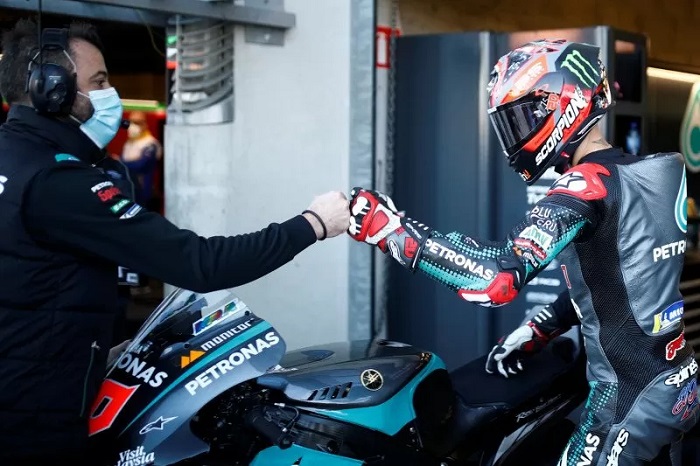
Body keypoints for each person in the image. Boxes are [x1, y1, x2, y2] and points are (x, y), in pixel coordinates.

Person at [0, 19, 349, 464]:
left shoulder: (13, 158)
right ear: (51, 88)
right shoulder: (58, 181)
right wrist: (314, 223)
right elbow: (199, 263)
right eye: (99, 81)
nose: (110, 93)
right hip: (34, 418)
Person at [348, 39, 697, 465]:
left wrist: (389, 230)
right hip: (676, 379)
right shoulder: (658, 172)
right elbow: (625, 280)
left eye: (524, 116)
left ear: (566, 102)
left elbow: (495, 280)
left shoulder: (588, 184)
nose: (516, 133)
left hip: (627, 402)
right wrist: (541, 327)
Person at [120, 110, 162, 208]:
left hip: (144, 191)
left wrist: (120, 163)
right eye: (130, 122)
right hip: (129, 190)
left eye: (137, 122)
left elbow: (142, 165)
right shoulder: (128, 143)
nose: (133, 125)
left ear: (145, 124)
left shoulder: (150, 143)